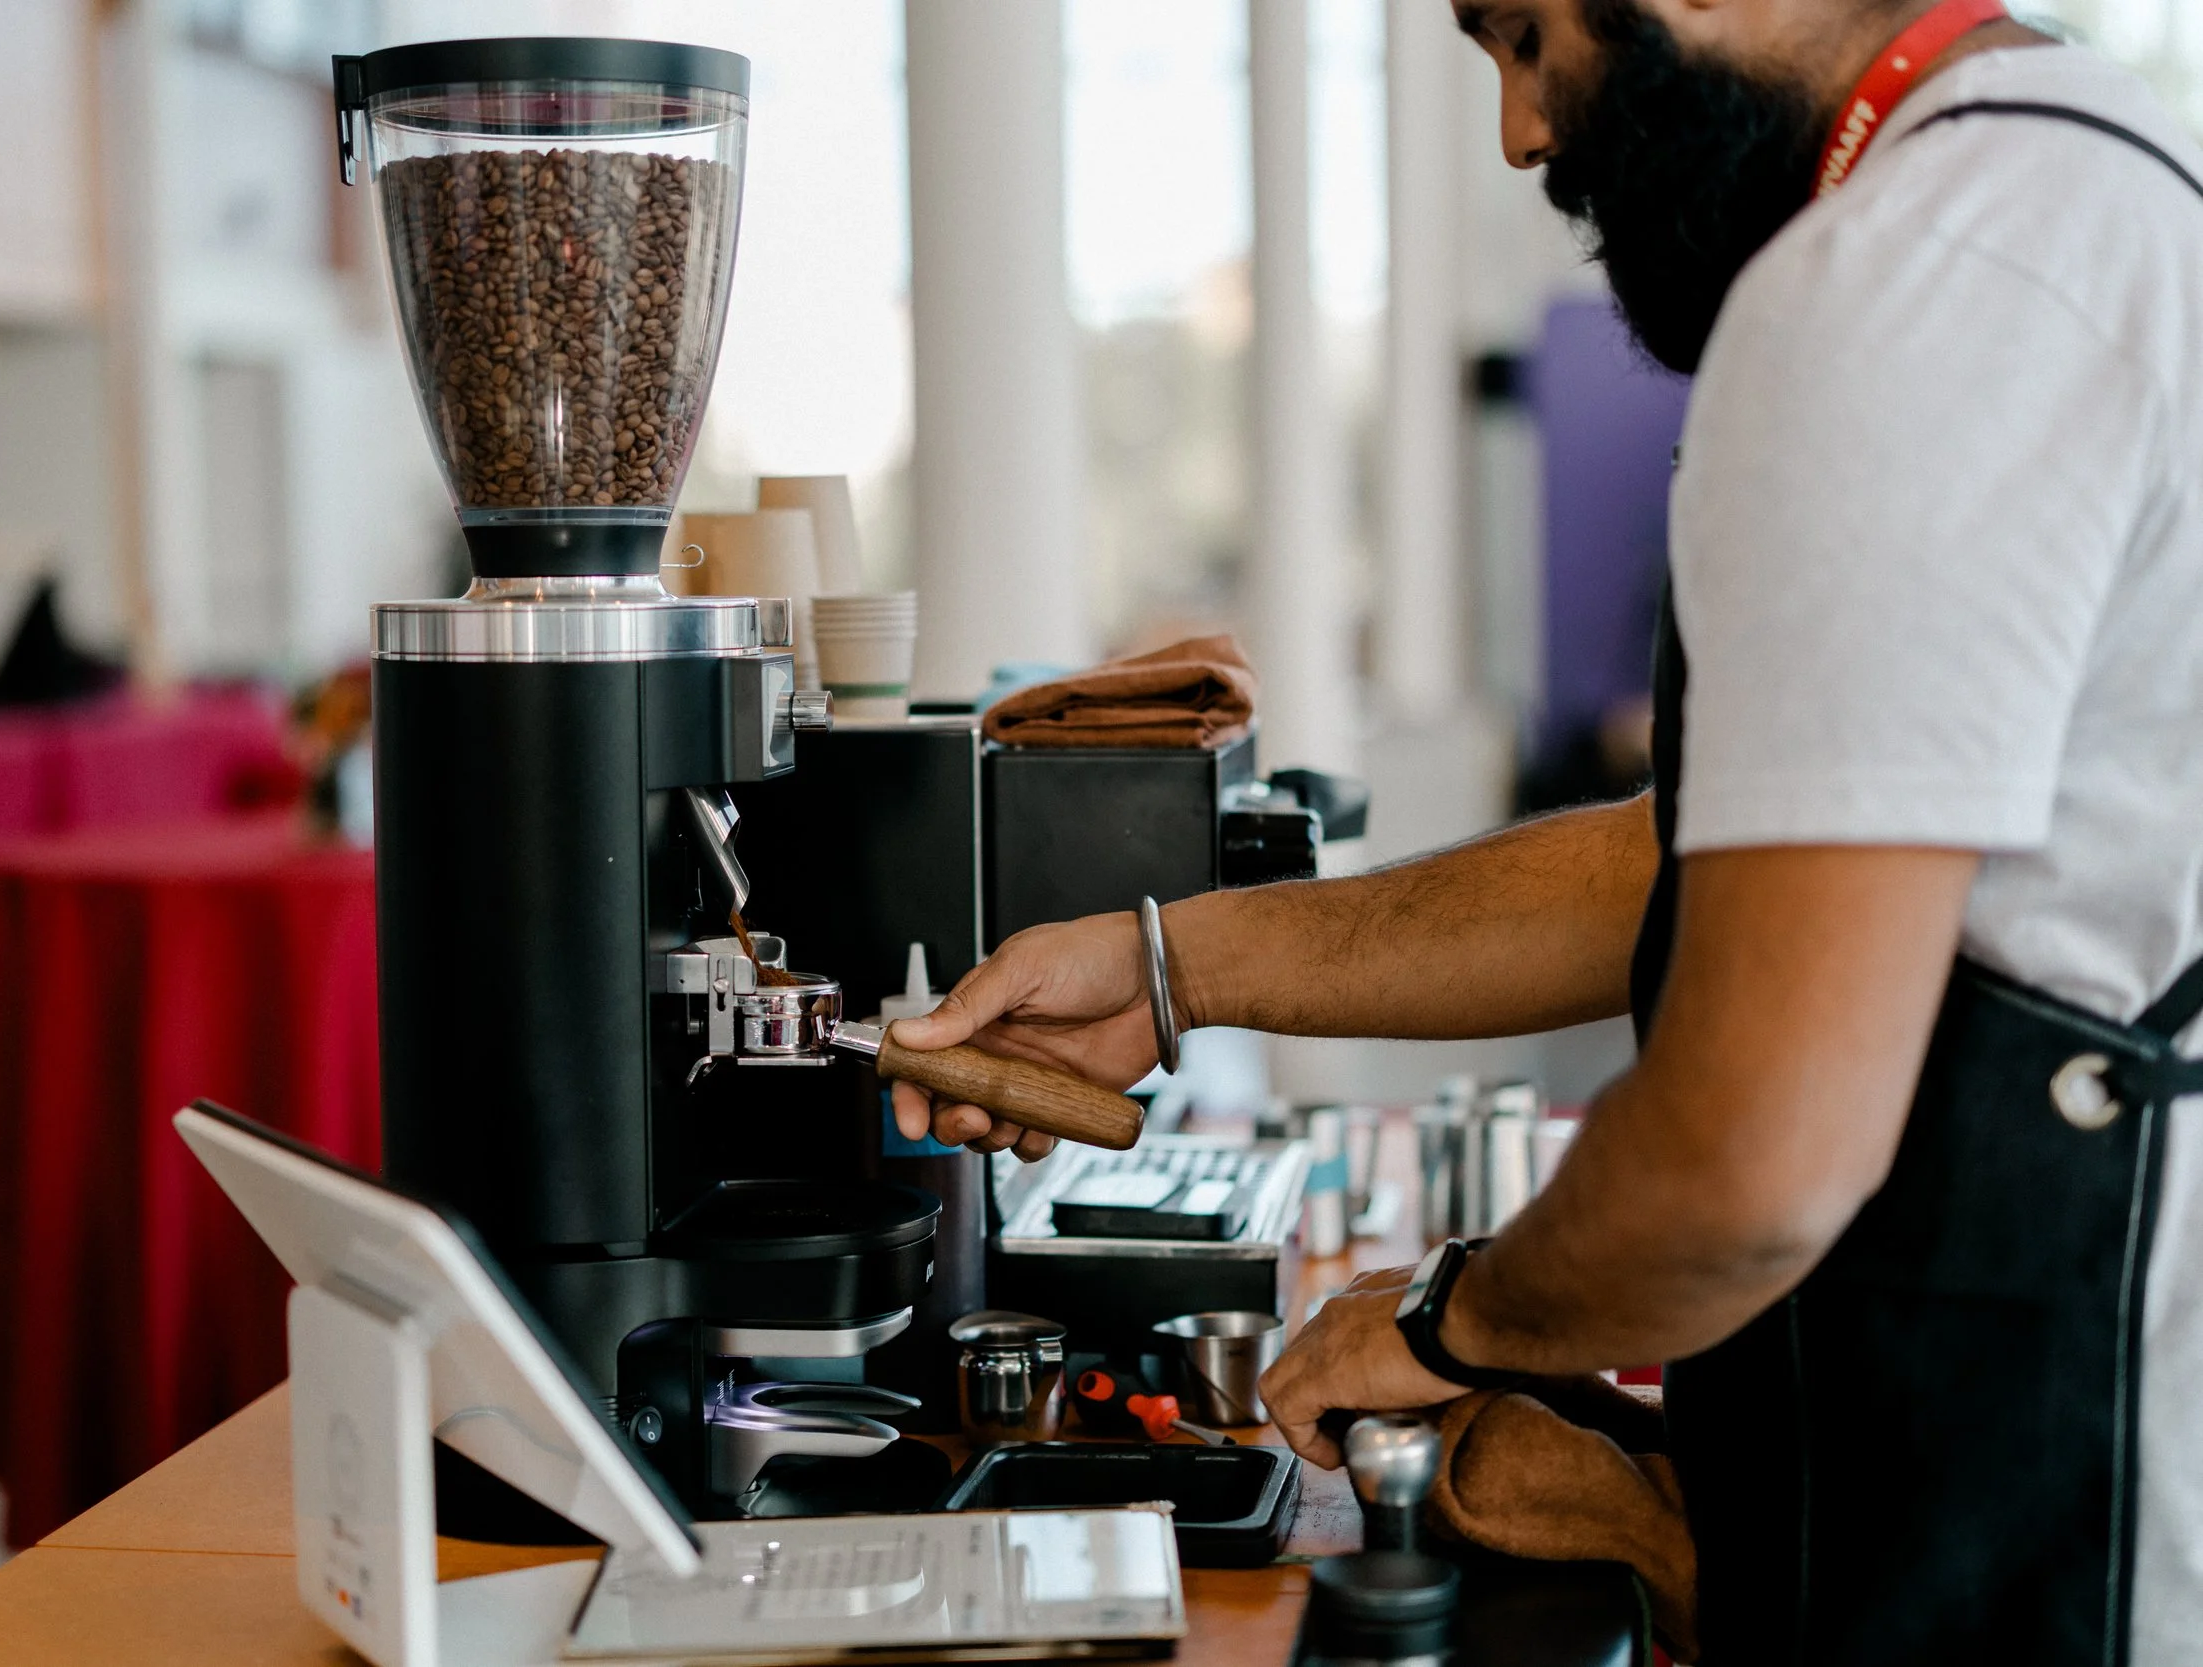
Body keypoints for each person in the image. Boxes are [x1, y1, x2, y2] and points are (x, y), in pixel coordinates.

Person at [889, 0, 2203, 1659]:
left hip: (2047, 1550)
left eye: (1520, 32)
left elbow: (1746, 1162)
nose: (1519, 130)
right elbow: (1724, 860)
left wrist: (1454, 1322)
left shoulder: (1910, 282)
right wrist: (1168, 965)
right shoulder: (2077, 190)